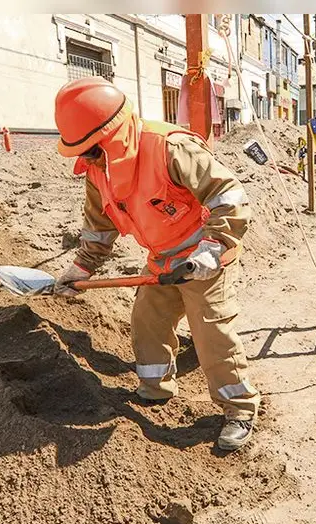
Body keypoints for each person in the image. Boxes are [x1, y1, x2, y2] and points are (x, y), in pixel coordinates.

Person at [52, 77, 259, 451]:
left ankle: (239, 409)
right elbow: (100, 226)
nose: (85, 159)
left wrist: (210, 249)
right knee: (147, 322)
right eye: (80, 152)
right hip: (162, 260)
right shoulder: (100, 170)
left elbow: (229, 195)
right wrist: (80, 269)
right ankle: (155, 387)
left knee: (211, 332)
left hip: (205, 257)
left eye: (90, 150)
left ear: (111, 136)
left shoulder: (169, 147)